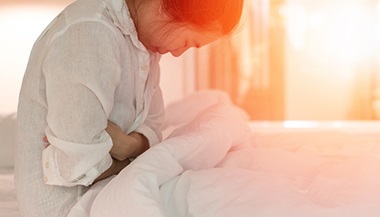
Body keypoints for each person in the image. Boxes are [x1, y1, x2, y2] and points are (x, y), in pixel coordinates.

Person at [15, 0, 244, 216]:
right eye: (186, 43)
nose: (177, 53)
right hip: (71, 207)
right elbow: (81, 165)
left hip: (106, 191)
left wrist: (127, 146)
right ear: (162, 5)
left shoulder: (143, 45)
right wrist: (134, 160)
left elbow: (154, 123)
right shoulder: (90, 33)